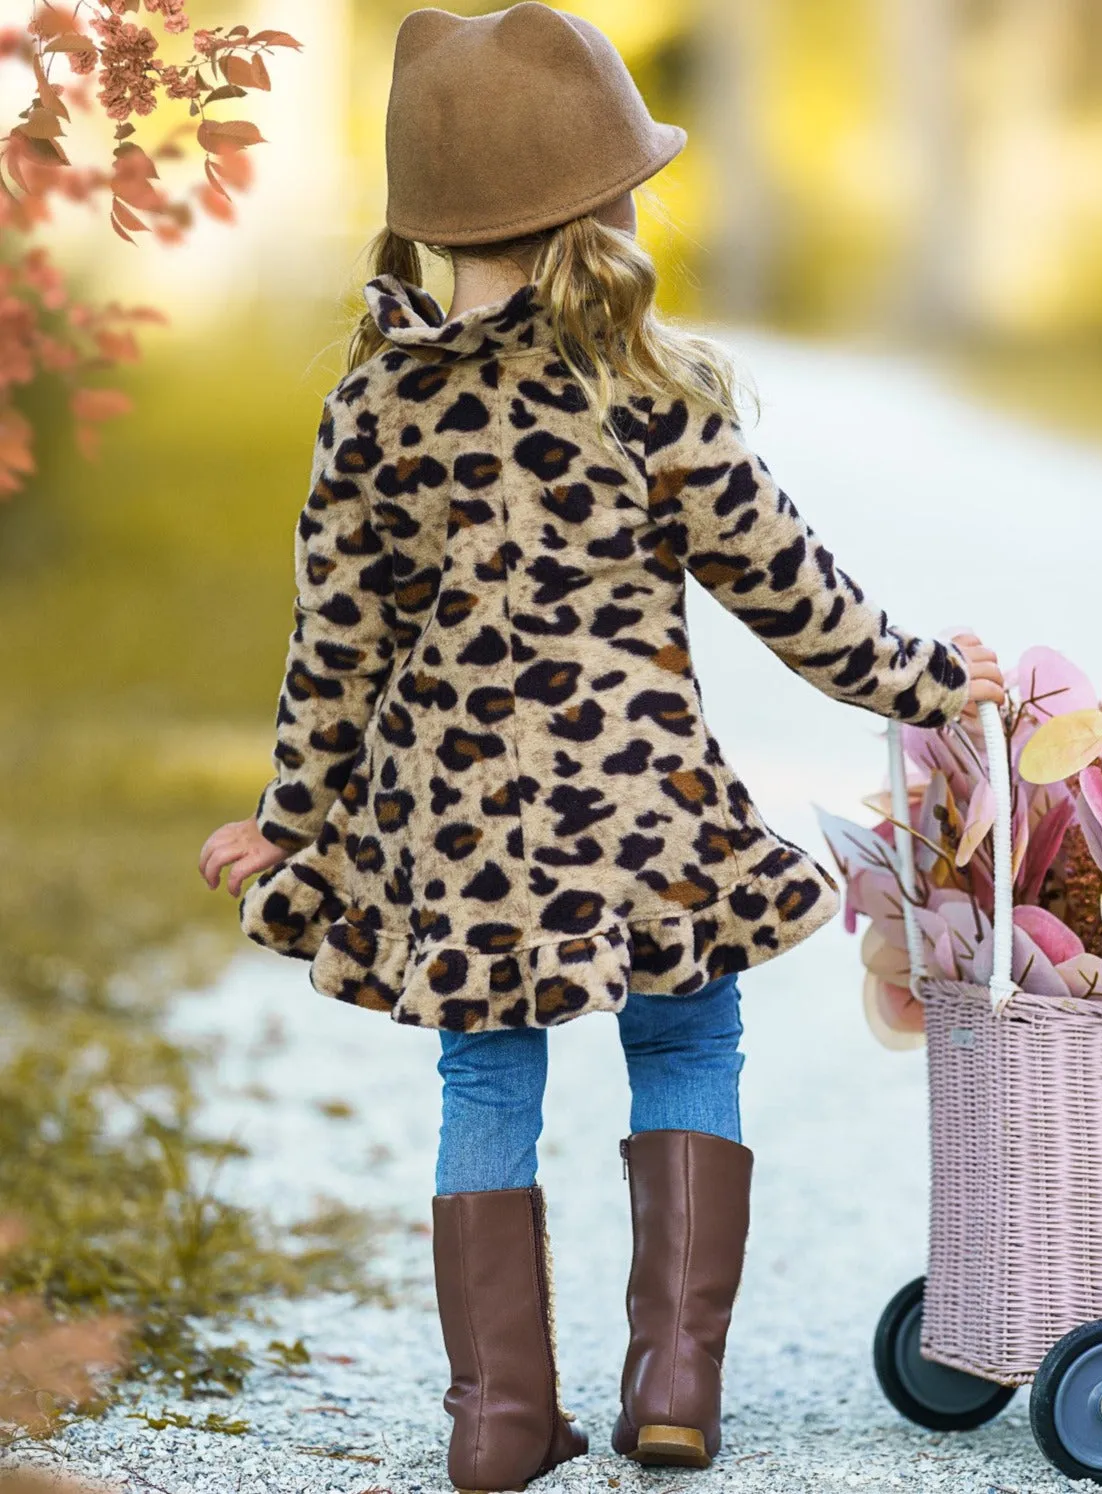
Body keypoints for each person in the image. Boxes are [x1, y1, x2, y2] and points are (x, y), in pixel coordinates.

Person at [198, 6, 1006, 1491]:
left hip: (453, 835)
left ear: (430, 220)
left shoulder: (375, 405)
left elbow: (336, 653)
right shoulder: (649, 395)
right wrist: (922, 678)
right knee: (686, 1036)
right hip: (646, 818)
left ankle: (496, 1416)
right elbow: (792, 591)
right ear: (605, 200)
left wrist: (294, 827)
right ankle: (671, 1382)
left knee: (482, 1077)